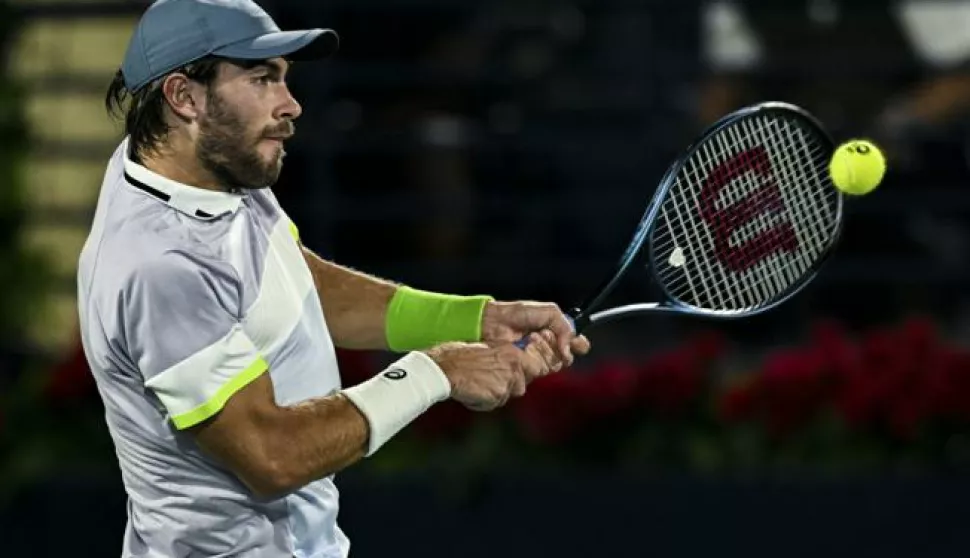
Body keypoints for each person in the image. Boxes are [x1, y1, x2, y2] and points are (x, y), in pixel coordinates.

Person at [76, 1, 590, 556]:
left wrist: (476, 319)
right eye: (262, 79)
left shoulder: (199, 161)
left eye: (285, 79)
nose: (290, 105)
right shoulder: (160, 268)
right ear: (184, 96)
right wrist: (435, 373)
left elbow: (293, 280)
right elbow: (272, 455)